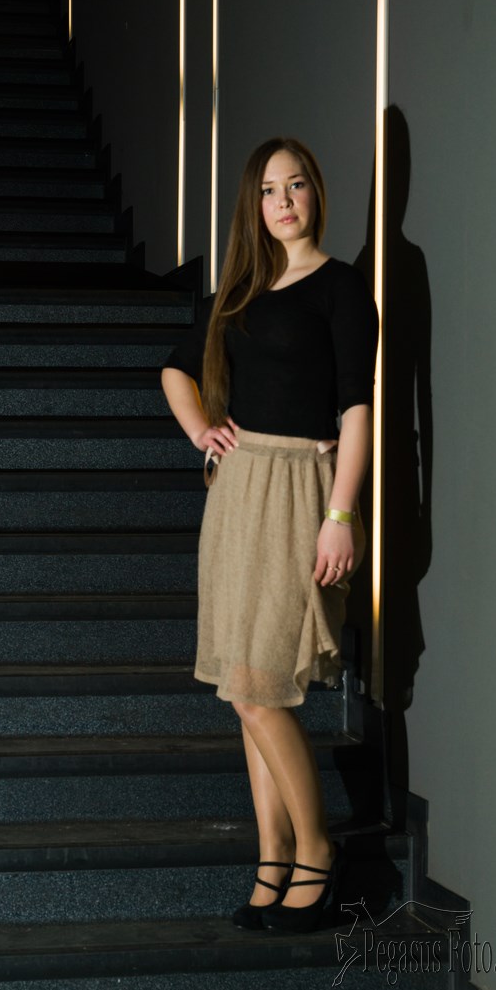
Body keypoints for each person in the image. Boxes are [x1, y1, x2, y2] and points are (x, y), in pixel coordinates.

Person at [161, 138, 378, 933]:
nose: (283, 202)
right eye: (268, 190)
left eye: (296, 186)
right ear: (253, 205)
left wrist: (341, 515)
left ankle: (316, 850)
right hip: (238, 492)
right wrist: (202, 430)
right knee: (241, 689)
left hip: (301, 491)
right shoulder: (240, 291)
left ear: (315, 192)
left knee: (261, 689)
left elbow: (358, 409)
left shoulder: (342, 287)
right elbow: (176, 368)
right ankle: (272, 858)